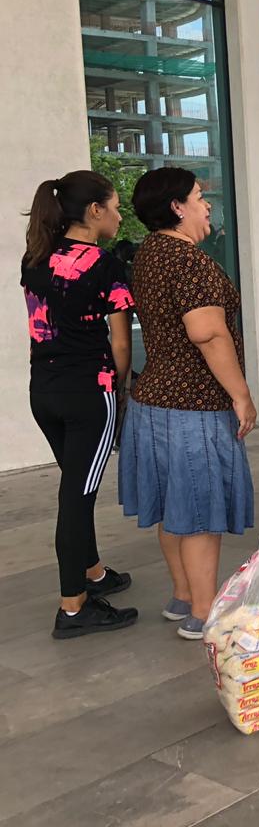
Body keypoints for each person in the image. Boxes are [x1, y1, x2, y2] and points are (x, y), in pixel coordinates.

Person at [117, 167, 256, 640]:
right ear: (177, 206)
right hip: (193, 406)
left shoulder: (149, 254)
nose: (208, 203)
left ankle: (182, 596)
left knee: (173, 507)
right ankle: (203, 613)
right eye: (199, 196)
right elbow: (208, 331)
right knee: (198, 512)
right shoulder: (188, 260)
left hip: (152, 400)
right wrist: (241, 395)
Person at [22, 171, 138, 639]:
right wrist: (122, 388)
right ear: (93, 211)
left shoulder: (35, 259)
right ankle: (73, 609)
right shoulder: (106, 265)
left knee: (75, 483)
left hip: (44, 392)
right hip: (89, 393)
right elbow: (121, 344)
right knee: (76, 497)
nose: (118, 214)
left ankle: (91, 571)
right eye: (113, 206)